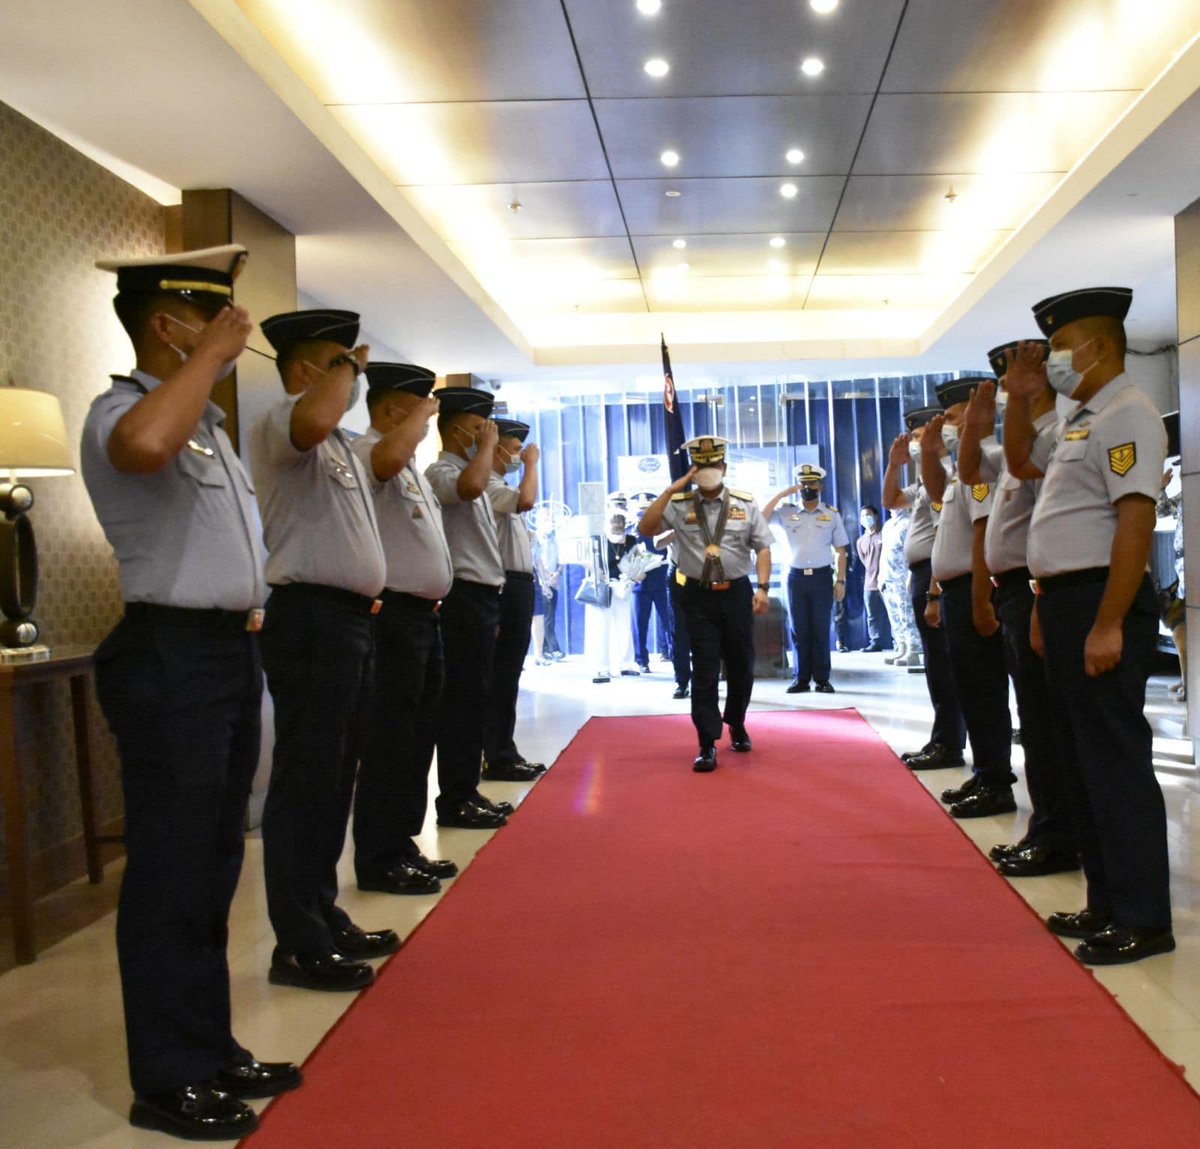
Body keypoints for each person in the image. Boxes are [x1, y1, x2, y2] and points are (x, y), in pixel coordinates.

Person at [83, 245, 299, 1140]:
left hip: (226, 653)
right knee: (172, 869)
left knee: (214, 861)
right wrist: (208, 358)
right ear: (167, 324)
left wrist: (205, 370)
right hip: (167, 653)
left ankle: (209, 1046)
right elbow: (140, 449)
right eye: (211, 321)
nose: (230, 335)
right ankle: (166, 1076)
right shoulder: (123, 409)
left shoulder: (204, 424)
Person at [1008, 285, 1173, 965]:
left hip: (1105, 601)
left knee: (1115, 763)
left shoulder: (1127, 413)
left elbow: (1134, 524)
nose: (1052, 360)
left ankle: (1144, 916)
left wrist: (1107, 623)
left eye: (1057, 346)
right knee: (1083, 764)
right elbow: (1035, 483)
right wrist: (1048, 606)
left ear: (1097, 346)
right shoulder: (1079, 418)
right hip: (1068, 601)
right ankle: (1105, 901)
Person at [252, 308, 397, 993]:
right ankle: (297, 940)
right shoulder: (286, 421)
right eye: (343, 364)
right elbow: (313, 419)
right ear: (308, 371)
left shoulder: (339, 443)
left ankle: (322, 910)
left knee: (336, 776)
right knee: (307, 780)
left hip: (349, 622)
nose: (356, 377)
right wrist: (344, 374)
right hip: (309, 617)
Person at [956, 341, 1080, 874]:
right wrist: (975, 424)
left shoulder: (1054, 438)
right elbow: (966, 472)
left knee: (1045, 723)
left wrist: (1032, 597)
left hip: (1034, 590)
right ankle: (1048, 828)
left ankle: (1057, 833)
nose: (1003, 390)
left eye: (1010, 380)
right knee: (1034, 717)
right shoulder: (1017, 446)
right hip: (1016, 591)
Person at [348, 363, 458, 898]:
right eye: (423, 413)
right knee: (390, 738)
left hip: (423, 615)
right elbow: (388, 460)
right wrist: (413, 425)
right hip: (392, 616)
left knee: (418, 736)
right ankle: (378, 853)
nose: (427, 426)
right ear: (395, 411)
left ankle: (402, 842)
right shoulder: (372, 452)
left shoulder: (409, 464)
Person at [638, 437, 773, 772]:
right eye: (701, 466)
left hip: (737, 593)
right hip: (696, 596)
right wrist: (672, 490)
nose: (708, 472)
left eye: (714, 465)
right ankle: (706, 742)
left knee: (741, 664)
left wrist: (763, 588)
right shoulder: (680, 502)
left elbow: (763, 547)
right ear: (693, 470)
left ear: (724, 468)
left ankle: (737, 723)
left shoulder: (744, 503)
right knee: (705, 668)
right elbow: (646, 527)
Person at [921, 377, 1017, 819]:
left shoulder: (985, 467)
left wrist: (980, 601)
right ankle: (985, 774)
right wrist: (927, 454)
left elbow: (982, 534)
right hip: (957, 589)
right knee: (971, 689)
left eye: (955, 416)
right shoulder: (963, 472)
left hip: (975, 590)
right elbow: (938, 498)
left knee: (983, 690)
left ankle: (996, 781)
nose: (946, 424)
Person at [425, 387, 513, 830]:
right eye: (479, 428)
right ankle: (455, 797)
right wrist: (489, 449)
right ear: (457, 429)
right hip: (460, 596)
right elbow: (471, 486)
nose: (488, 436)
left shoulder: (471, 468)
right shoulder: (441, 469)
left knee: (474, 698)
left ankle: (467, 790)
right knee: (460, 701)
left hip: (481, 597)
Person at [884, 406, 967, 769]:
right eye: (913, 438)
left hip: (937, 576)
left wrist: (934, 593)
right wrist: (893, 465)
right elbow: (890, 501)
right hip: (923, 575)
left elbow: (942, 538)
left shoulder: (947, 477)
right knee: (937, 666)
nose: (915, 444)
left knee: (945, 667)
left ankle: (949, 744)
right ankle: (942, 739)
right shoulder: (924, 482)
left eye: (919, 437)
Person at [482, 417, 546, 782]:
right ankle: (496, 753)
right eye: (515, 447)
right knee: (499, 675)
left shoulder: (498, 484)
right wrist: (532, 466)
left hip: (518, 583)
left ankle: (504, 750)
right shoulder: (488, 485)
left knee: (509, 675)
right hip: (503, 585)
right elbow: (526, 500)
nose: (520, 455)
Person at [764, 463, 848, 694]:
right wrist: (782, 494)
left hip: (822, 577)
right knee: (798, 629)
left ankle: (822, 678)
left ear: (820, 486)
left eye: (812, 483)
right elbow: (761, 519)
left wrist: (840, 581)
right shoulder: (786, 512)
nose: (807, 487)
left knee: (820, 628)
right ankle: (800, 679)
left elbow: (841, 550)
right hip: (795, 578)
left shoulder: (831, 514)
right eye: (803, 483)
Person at [585, 507, 641, 682]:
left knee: (624, 626)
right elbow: (586, 560)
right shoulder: (596, 539)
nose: (617, 524)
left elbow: (638, 561)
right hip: (603, 588)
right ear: (606, 522)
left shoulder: (631, 540)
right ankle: (601, 668)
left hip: (623, 589)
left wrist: (637, 575)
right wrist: (596, 572)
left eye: (620, 521)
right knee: (601, 629)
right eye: (613, 520)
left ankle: (626, 664)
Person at [630, 491, 673, 672]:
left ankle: (673, 655)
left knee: (670, 622)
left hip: (662, 582)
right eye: (641, 511)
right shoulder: (631, 531)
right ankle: (641, 660)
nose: (644, 514)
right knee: (640, 625)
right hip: (640, 584)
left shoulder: (661, 528)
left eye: (647, 509)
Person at [880, 506, 922, 667]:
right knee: (895, 616)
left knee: (907, 616)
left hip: (902, 577)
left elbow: (913, 552)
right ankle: (901, 647)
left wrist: (911, 574)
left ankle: (913, 651)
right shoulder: (888, 526)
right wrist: (880, 575)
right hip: (889, 577)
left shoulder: (908, 524)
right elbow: (884, 552)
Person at [856, 505, 890, 652]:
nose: (865, 518)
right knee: (872, 615)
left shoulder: (885, 535)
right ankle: (875, 642)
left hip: (887, 582)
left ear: (876, 516)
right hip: (870, 584)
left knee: (893, 611)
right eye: (863, 516)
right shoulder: (860, 541)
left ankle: (898, 641)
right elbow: (864, 561)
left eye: (868, 515)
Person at [532, 512, 565, 663]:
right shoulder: (534, 538)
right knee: (542, 617)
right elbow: (537, 562)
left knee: (549, 616)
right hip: (540, 581)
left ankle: (547, 649)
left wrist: (556, 574)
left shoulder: (555, 540)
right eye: (546, 520)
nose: (549, 523)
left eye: (551, 520)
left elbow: (561, 560)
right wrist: (544, 580)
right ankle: (551, 649)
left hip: (553, 581)